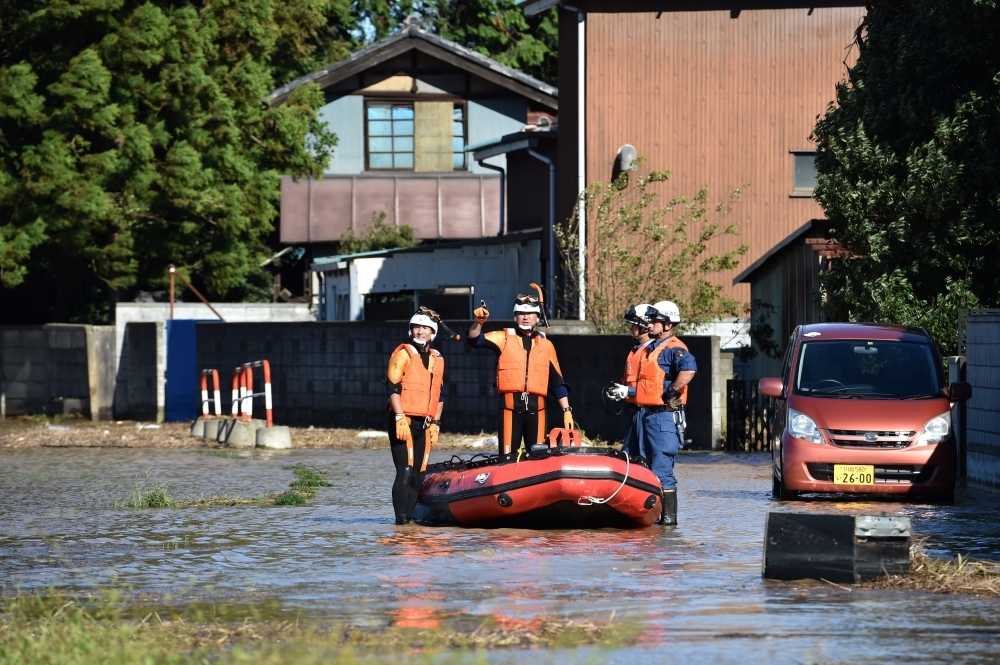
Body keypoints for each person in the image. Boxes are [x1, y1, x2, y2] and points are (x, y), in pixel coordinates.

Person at [607, 301, 695, 525]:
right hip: (647, 415)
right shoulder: (651, 348)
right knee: (635, 462)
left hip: (663, 417)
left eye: (654, 321)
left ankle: (667, 523)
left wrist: (673, 390)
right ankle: (642, 515)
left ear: (666, 325)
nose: (650, 325)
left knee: (661, 469)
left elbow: (689, 368)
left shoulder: (674, 348)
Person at [467, 293, 573, 457]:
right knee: (507, 457)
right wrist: (479, 323)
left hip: (537, 409)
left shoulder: (546, 345)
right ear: (515, 316)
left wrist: (566, 410)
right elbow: (475, 340)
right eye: (521, 313)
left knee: (538, 457)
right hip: (509, 408)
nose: (526, 317)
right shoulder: (503, 338)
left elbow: (557, 382)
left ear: (537, 316)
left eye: (530, 313)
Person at [385, 308, 446, 525]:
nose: (420, 332)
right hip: (404, 420)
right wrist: (399, 416)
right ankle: (400, 523)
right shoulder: (402, 354)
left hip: (426, 423)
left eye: (425, 328)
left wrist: (436, 423)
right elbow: (392, 388)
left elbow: (440, 395)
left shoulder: (438, 359)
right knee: (406, 470)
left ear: (433, 332)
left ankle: (409, 523)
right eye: (417, 327)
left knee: (419, 473)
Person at [620, 303, 654, 458]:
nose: (630, 329)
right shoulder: (636, 350)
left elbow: (652, 386)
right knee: (627, 455)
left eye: (634, 325)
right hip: (635, 410)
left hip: (646, 412)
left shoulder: (651, 352)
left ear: (644, 327)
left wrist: (629, 391)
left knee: (643, 455)